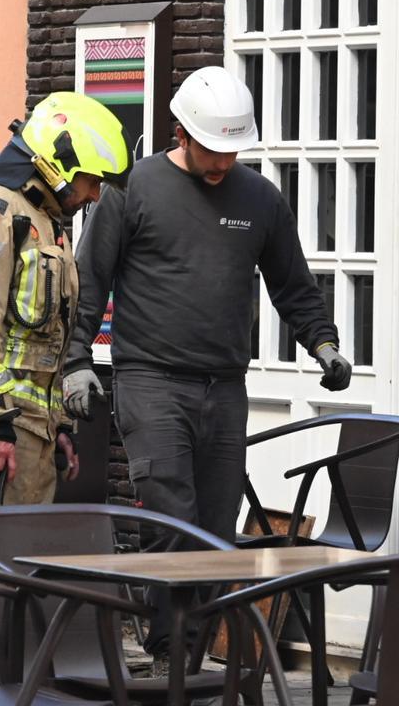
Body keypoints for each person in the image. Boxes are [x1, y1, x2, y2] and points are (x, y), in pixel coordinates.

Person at [62, 65, 352, 664]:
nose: (222, 163)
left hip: (225, 387)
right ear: (181, 133)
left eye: (231, 150)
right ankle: (168, 653)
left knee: (216, 533)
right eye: (212, 149)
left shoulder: (260, 199)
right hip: (149, 380)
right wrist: (74, 362)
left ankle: (188, 668)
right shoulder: (130, 190)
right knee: (173, 521)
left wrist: (322, 344)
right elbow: (89, 283)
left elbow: (292, 287)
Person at [0, 91, 129, 564]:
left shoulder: (42, 222)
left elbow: (37, 340)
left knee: (16, 566)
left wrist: (56, 427)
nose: (95, 193)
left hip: (25, 432)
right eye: (91, 180)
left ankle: (0, 640)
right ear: (57, 163)